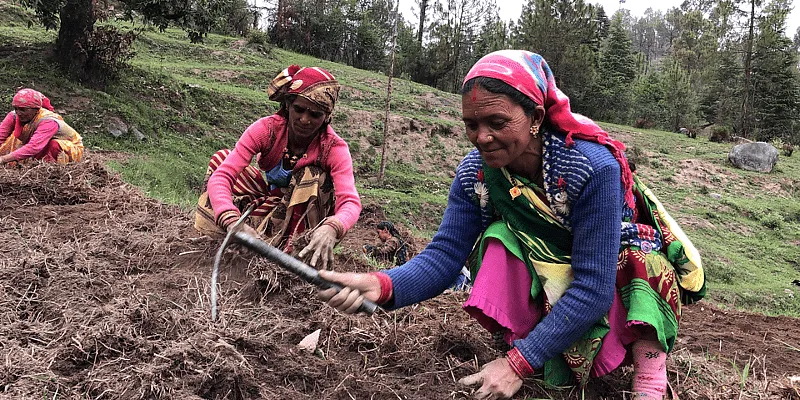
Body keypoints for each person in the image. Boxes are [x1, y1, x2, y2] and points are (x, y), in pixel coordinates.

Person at [317, 50, 705, 400]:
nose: (482, 137)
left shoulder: (591, 167)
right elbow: (446, 256)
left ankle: (648, 373)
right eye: (472, 124)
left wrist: (517, 366)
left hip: (609, 268)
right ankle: (527, 339)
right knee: (499, 239)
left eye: (497, 122)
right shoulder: (477, 173)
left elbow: (593, 286)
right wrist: (383, 285)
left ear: (535, 117)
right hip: (547, 263)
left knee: (643, 263)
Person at [195, 65, 362, 270]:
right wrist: (232, 221)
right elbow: (223, 175)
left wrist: (332, 227)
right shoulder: (267, 130)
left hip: (305, 219)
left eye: (315, 114)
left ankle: (292, 256)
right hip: (271, 204)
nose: (304, 120)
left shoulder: (333, 148)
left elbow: (350, 202)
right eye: (299, 109)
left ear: (326, 116)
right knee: (220, 159)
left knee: (313, 176)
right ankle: (240, 235)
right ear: (288, 105)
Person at [0, 88, 84, 165]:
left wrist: (3, 159)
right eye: (16, 108)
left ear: (36, 109)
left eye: (23, 110)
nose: (18, 113)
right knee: (14, 138)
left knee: (53, 145)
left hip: (67, 147)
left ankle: (45, 168)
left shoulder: (48, 121)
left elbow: (34, 146)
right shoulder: (13, 116)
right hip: (38, 143)